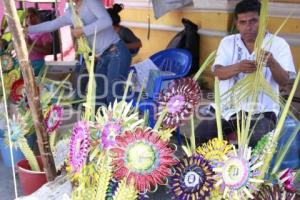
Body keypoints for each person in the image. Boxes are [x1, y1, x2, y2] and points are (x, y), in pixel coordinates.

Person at [196, 0, 296, 147]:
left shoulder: (278, 44)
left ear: (263, 21)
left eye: (253, 21)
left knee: (255, 143)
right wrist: (238, 67)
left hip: (262, 110)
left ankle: (242, 169)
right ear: (237, 24)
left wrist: (272, 63)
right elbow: (218, 73)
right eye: (243, 22)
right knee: (202, 135)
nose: (249, 27)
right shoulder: (228, 42)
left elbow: (285, 82)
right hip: (226, 108)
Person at [27, 0, 132, 106]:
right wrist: (28, 29)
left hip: (116, 51)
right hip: (102, 56)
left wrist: (83, 30)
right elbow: (52, 24)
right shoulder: (70, 12)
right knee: (100, 96)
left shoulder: (90, 2)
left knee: (113, 95)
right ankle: (100, 122)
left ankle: (116, 122)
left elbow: (106, 21)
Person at [25, 8, 53, 76]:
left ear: (37, 17)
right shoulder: (25, 32)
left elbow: (47, 51)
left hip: (37, 64)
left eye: (32, 16)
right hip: (24, 64)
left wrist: (30, 44)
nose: (29, 19)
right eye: (27, 17)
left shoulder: (43, 31)